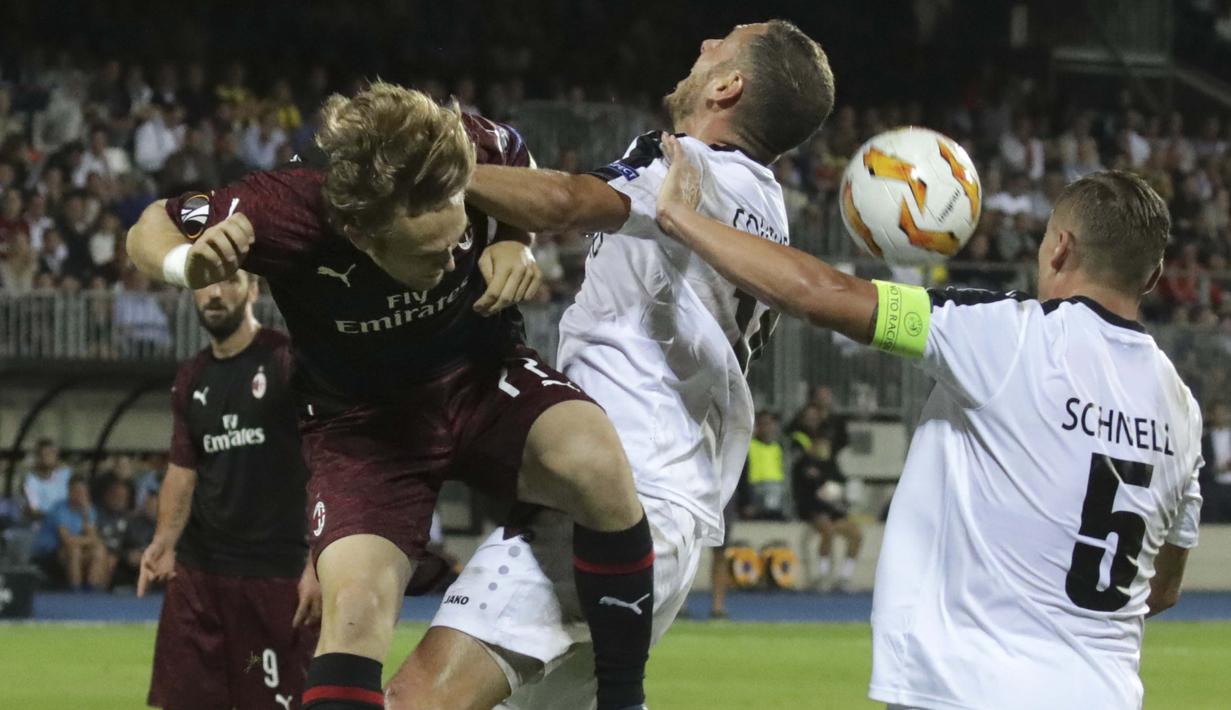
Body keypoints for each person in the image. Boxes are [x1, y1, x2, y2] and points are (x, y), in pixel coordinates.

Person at [126, 81, 654, 710]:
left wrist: (513, 235)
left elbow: (518, 160)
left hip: (481, 375)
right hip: (362, 429)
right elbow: (150, 224)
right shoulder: (287, 208)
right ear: (359, 231)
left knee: (597, 464)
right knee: (353, 613)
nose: (453, 255)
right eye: (430, 252)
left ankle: (623, 700)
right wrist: (187, 267)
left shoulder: (456, 143)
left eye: (459, 236)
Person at [656, 141, 1202, 709]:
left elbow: (820, 293)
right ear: (1154, 275)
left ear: (1060, 248)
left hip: (969, 689)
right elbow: (1161, 587)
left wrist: (680, 217)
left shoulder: (1007, 337)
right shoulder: (1182, 410)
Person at [390, 21, 834, 710]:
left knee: (416, 699)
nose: (708, 40)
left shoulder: (686, 167)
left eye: (724, 42)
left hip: (615, 497)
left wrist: (433, 175)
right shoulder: (766, 207)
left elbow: (568, 200)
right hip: (672, 512)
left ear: (727, 85)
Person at [136, 268, 320, 709]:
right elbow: (183, 469)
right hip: (199, 576)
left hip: (275, 574)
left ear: (253, 289)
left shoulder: (286, 361)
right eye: (204, 283)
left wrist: (320, 559)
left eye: (229, 281)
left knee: (276, 703)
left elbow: (328, 460)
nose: (214, 293)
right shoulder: (191, 376)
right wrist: (163, 542)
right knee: (184, 701)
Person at [788, 400, 862, 591]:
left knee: (856, 534)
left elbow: (840, 489)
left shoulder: (832, 467)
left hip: (831, 511)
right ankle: (822, 576)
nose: (825, 446)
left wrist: (841, 497)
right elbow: (804, 494)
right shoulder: (803, 464)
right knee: (827, 530)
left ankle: (845, 577)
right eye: (822, 442)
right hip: (812, 510)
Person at [31, 473, 113, 591]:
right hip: (49, 553)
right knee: (74, 550)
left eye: (84, 492)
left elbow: (94, 540)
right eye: (77, 491)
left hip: (74, 550)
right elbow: (67, 540)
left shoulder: (89, 510)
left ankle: (92, 590)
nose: (81, 495)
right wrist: (89, 540)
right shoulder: (58, 509)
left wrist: (86, 516)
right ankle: (75, 591)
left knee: (99, 550)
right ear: (69, 492)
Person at [746, 411, 787, 519]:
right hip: (755, 491)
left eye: (770, 424)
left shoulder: (780, 447)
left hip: (777, 490)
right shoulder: (749, 446)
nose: (767, 428)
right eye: (764, 424)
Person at [21, 438, 72, 523]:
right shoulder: (30, 481)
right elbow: (34, 510)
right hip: (45, 525)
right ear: (37, 457)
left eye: (50, 454)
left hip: (70, 521)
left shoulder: (66, 475)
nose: (46, 458)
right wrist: (56, 517)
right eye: (42, 455)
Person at [1200, 400, 1231, 523]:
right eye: (1217, 413)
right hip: (1213, 489)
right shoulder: (1204, 440)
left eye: (1223, 413)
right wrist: (1214, 470)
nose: (1221, 416)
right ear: (1211, 415)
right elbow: (1199, 467)